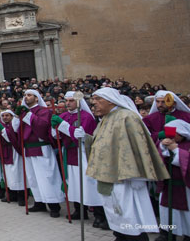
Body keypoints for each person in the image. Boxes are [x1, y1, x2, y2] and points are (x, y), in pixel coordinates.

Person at [85, 87, 169, 241]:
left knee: (129, 214)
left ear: (110, 100)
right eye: (93, 100)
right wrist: (85, 139)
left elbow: (138, 147)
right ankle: (120, 236)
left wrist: (138, 177)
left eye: (98, 99)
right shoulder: (106, 117)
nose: (93, 103)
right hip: (108, 176)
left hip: (126, 178)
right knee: (116, 214)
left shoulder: (126, 117)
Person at [50, 91, 106, 227]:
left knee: (88, 183)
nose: (68, 103)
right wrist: (54, 128)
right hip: (69, 152)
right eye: (67, 100)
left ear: (78, 102)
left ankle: (99, 214)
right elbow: (56, 136)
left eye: (71, 100)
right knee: (74, 182)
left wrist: (62, 125)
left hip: (83, 153)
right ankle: (80, 210)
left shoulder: (86, 116)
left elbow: (81, 136)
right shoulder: (62, 115)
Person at [16, 89, 65, 217]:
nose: (26, 97)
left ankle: (54, 205)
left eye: (29, 95)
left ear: (37, 98)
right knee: (33, 178)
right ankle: (39, 202)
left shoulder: (44, 111)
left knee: (46, 177)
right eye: (25, 95)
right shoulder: (23, 113)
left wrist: (28, 116)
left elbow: (42, 126)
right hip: (28, 148)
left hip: (42, 147)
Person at [156, 119, 190, 241]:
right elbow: (158, 159)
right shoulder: (164, 142)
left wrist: (176, 150)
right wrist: (163, 148)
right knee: (168, 213)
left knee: (186, 216)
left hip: (185, 187)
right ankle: (167, 233)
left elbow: (187, 161)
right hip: (168, 186)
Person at [0, 109, 25, 204]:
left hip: (14, 151)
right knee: (8, 174)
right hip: (6, 152)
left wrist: (3, 130)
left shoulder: (15, 125)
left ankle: (22, 197)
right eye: (3, 116)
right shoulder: (1, 125)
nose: (5, 117)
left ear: (12, 116)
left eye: (7, 115)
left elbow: (11, 137)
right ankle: (11, 195)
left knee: (17, 173)